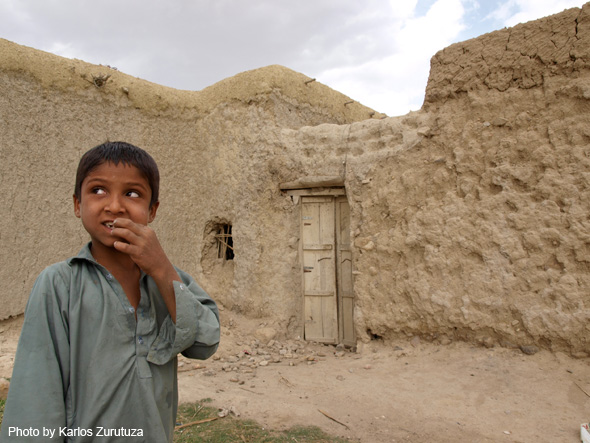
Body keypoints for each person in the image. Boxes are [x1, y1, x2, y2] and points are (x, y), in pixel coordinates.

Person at [1, 141, 220, 442]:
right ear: (77, 205)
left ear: (152, 210)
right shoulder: (58, 285)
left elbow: (205, 342)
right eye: (98, 190)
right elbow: (35, 396)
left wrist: (162, 268)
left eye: (132, 193)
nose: (115, 206)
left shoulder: (170, 279)